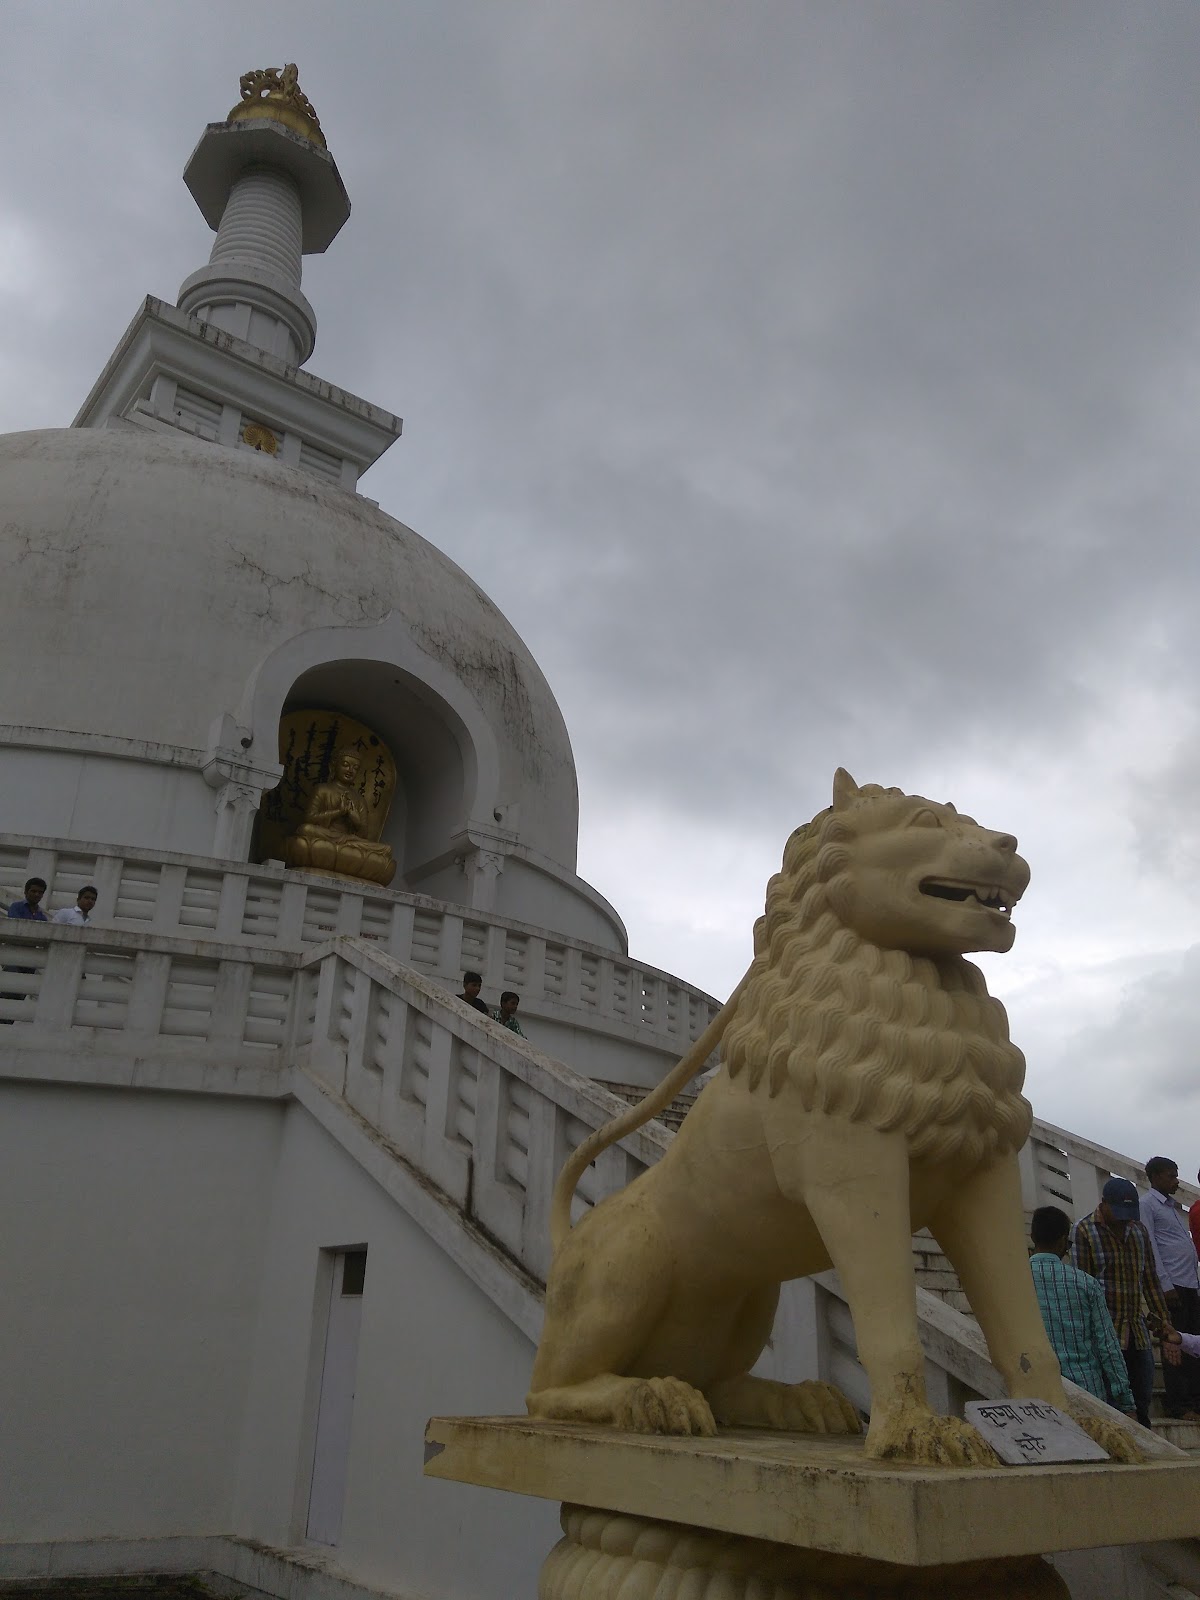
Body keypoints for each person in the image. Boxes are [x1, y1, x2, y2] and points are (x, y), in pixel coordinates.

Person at [1072, 1176, 1175, 1429]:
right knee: (1111, 1403)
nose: (1123, 1220)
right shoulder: (1084, 1230)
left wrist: (1165, 1326)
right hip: (1105, 1333)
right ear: (1104, 1204)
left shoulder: (1138, 1230)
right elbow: (1082, 1286)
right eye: (1119, 1213)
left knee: (1142, 1397)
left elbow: (1150, 1280)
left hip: (1136, 1330)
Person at [1028, 1206, 1136, 1417]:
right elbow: (1108, 1346)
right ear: (1062, 1241)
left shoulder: (1012, 1282)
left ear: (1032, 1237)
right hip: (1086, 1396)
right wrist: (1126, 1402)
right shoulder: (1085, 1283)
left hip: (1033, 1397)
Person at [1140, 1157, 1200, 1420]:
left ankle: (1195, 1401)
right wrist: (1164, 1285)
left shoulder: (1170, 1207)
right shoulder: (1147, 1205)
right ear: (1155, 1177)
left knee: (1192, 1345)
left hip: (1190, 1283)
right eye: (1171, 1176)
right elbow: (1150, 1246)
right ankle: (1180, 1404)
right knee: (1174, 1345)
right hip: (1172, 1284)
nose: (1176, 1181)